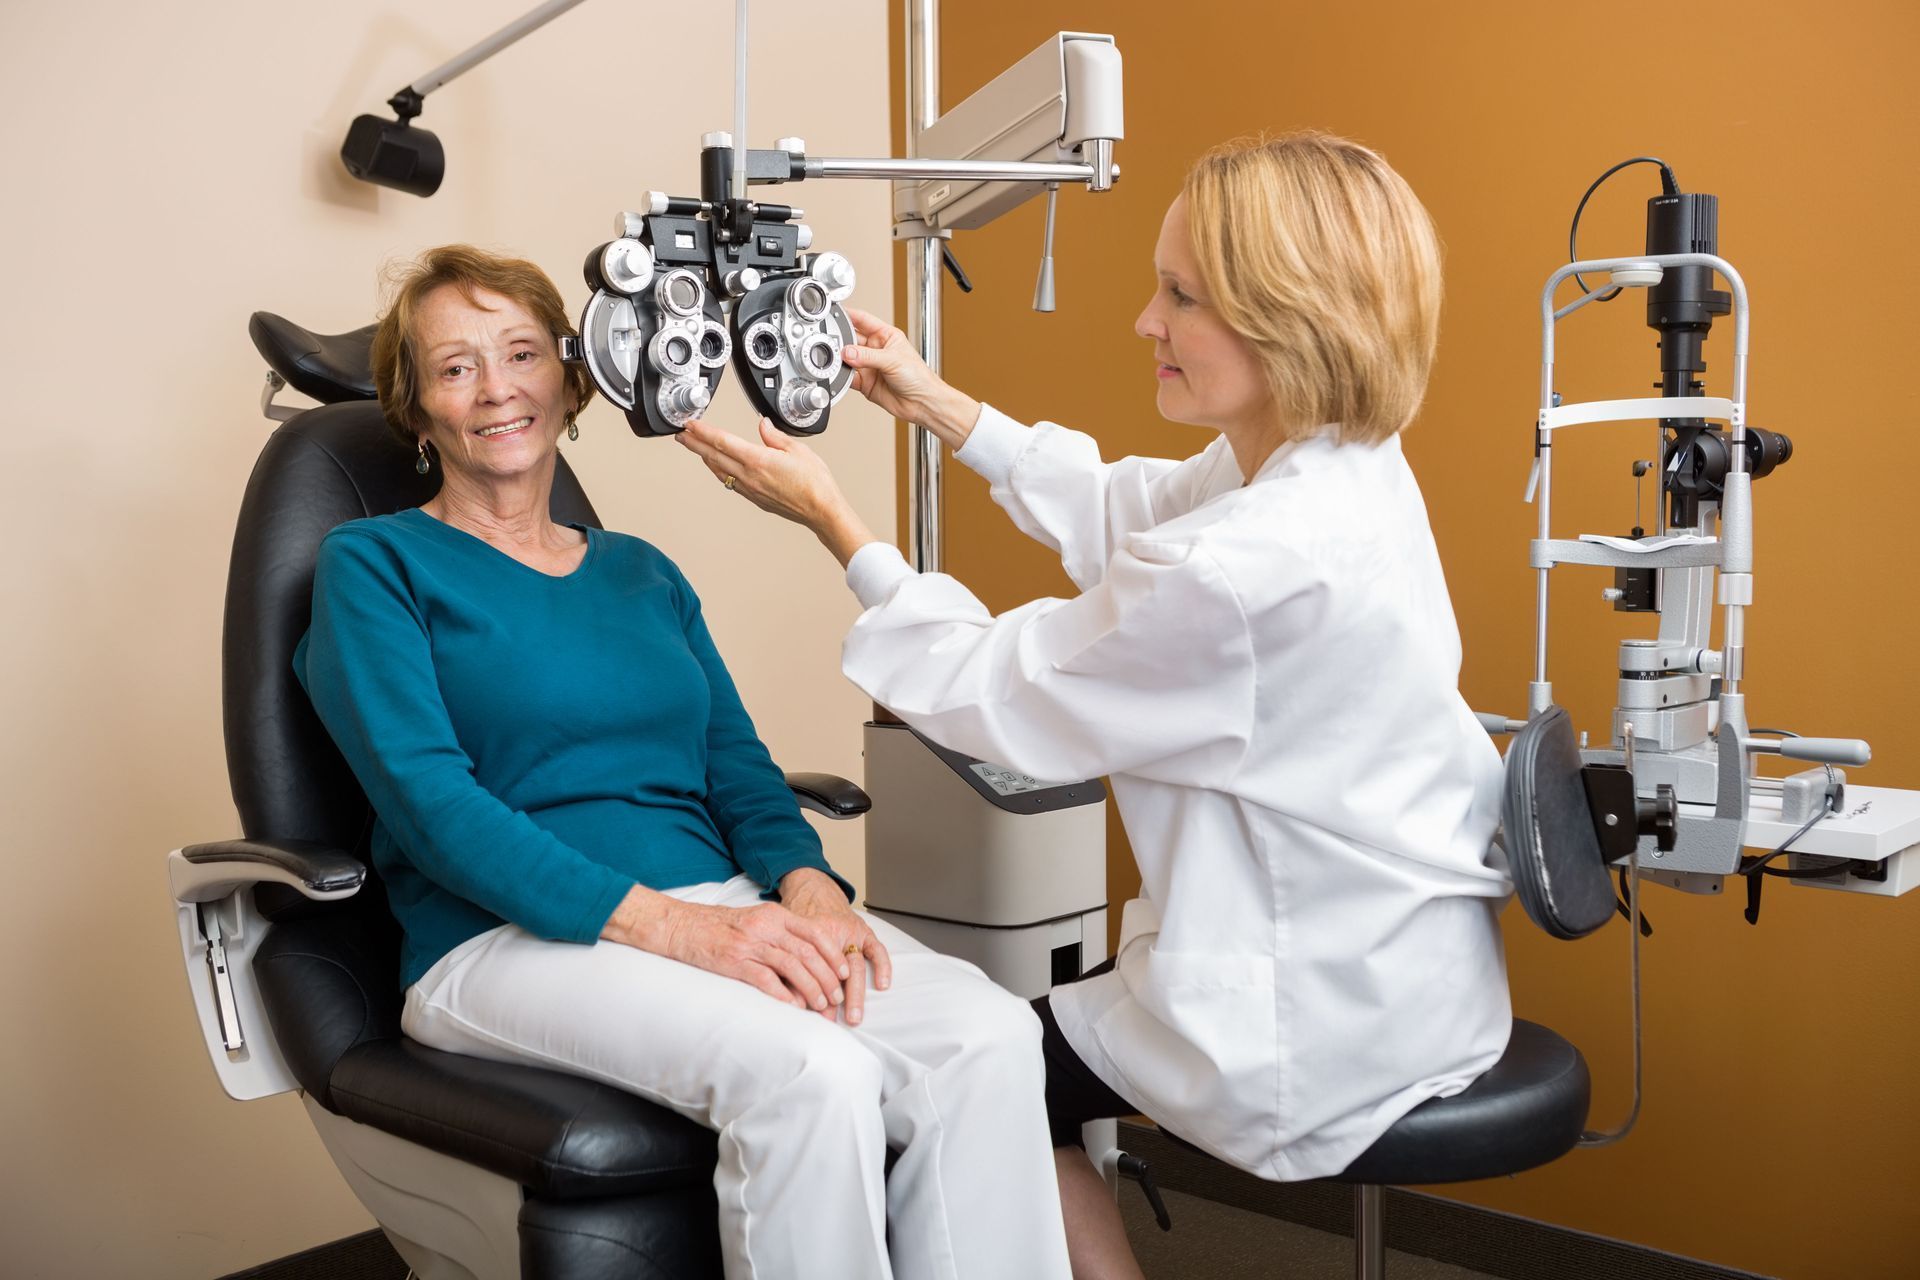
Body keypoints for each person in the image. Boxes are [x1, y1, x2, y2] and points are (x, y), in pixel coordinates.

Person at [676, 131, 1514, 1278]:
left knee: (994, 1071)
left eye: (1181, 296)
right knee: (1020, 1051)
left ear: (1290, 320)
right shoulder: (1335, 461)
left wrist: (836, 521)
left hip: (1312, 1011)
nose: (1145, 321)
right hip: (1405, 962)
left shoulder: (1250, 566)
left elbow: (998, 692)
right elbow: (1137, 508)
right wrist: (938, 404)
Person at [294, 244, 1073, 1280]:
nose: (496, 389)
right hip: (498, 939)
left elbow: (738, 767)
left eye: (521, 354)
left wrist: (808, 887)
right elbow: (434, 807)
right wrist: (681, 930)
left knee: (988, 1035)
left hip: (719, 901)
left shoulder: (641, 572)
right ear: (418, 409)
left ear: (574, 377)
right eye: (455, 367)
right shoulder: (374, 564)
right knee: (811, 1072)